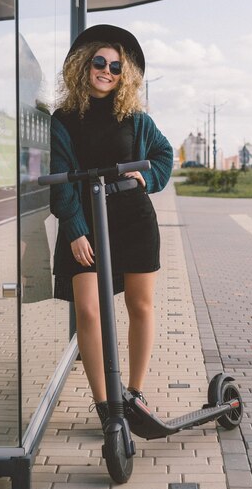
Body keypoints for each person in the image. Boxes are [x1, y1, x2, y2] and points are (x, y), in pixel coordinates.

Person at [49, 24, 173, 426]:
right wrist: (74, 229)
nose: (107, 71)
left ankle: (133, 395)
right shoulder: (64, 119)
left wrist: (147, 178)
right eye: (100, 62)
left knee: (140, 305)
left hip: (132, 218)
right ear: (85, 66)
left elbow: (163, 155)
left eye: (116, 67)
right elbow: (60, 174)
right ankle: (107, 407)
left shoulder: (135, 118)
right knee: (88, 311)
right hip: (85, 221)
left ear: (125, 75)